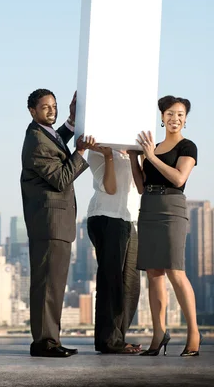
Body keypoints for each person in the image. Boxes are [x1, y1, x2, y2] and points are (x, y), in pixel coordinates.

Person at [21, 89, 93, 358]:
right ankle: (43, 343)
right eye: (45, 107)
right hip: (49, 222)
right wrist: (81, 151)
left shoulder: (46, 136)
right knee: (47, 285)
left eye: (54, 106)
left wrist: (73, 120)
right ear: (32, 111)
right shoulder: (36, 141)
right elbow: (61, 178)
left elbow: (57, 142)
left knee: (54, 284)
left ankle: (51, 339)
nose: (51, 110)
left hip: (56, 222)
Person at [130, 95, 201, 357]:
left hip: (172, 208)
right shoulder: (153, 146)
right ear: (161, 117)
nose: (175, 118)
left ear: (185, 119)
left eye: (181, 114)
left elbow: (179, 177)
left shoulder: (187, 147)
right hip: (148, 207)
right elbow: (140, 186)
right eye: (170, 113)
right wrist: (135, 159)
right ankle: (159, 333)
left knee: (175, 271)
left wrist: (151, 156)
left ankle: (194, 332)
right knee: (153, 274)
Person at [86, 145, 141, 354]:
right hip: (106, 216)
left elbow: (142, 184)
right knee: (112, 282)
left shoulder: (135, 150)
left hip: (130, 219)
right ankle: (108, 341)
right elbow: (110, 187)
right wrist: (109, 155)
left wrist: (140, 154)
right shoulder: (98, 149)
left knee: (131, 284)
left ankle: (118, 337)